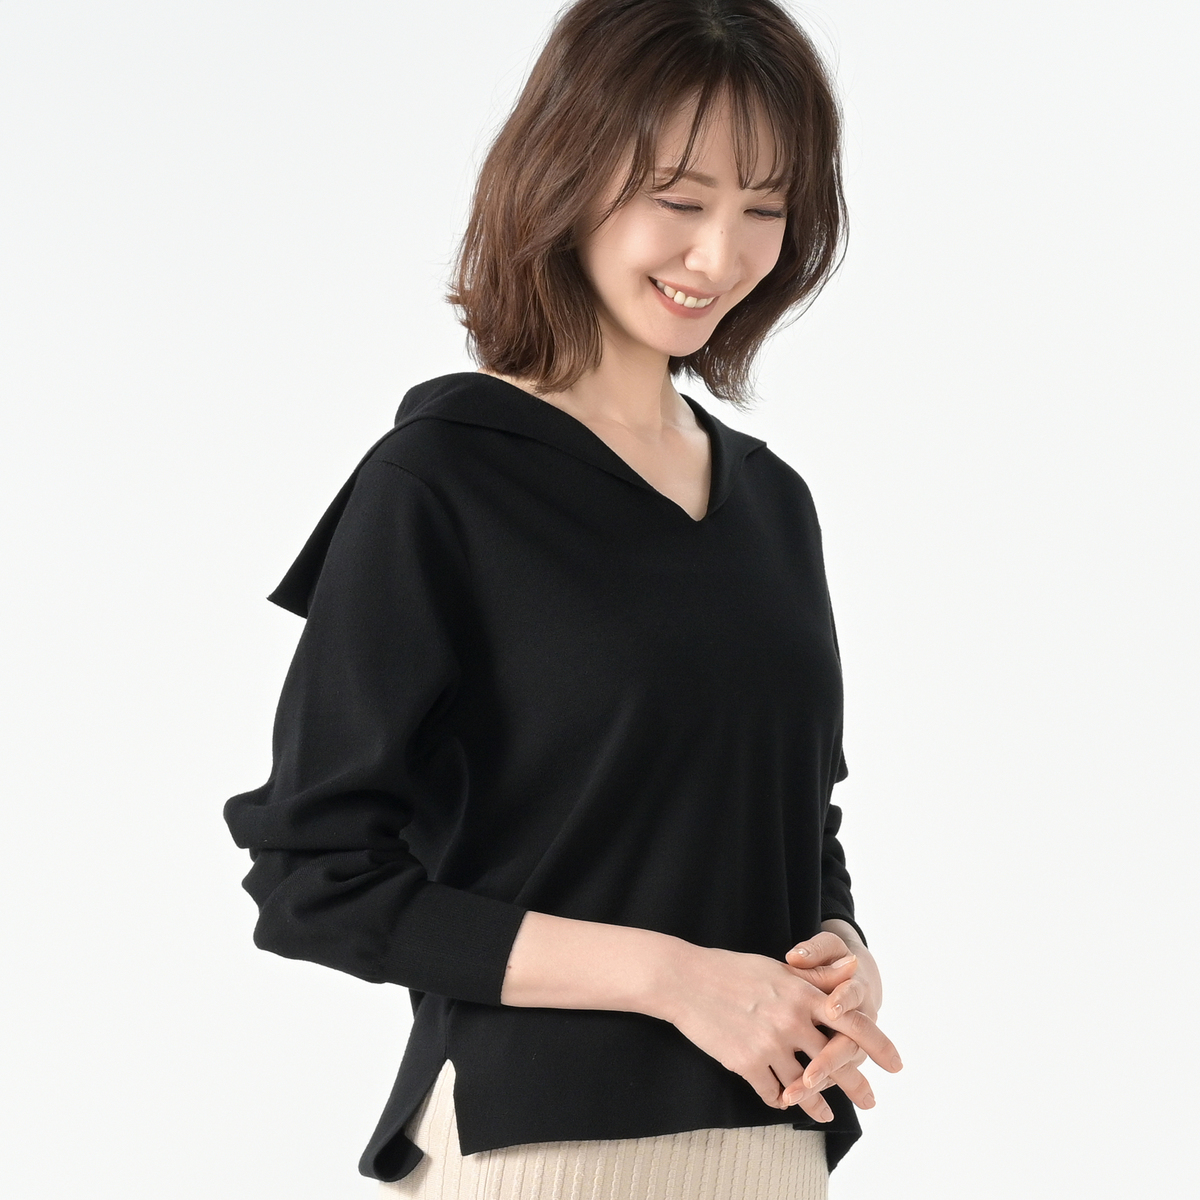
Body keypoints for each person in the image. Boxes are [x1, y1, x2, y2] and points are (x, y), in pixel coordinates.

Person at [223, 1, 903, 1196]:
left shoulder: (773, 503)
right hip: (540, 1152)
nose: (721, 256)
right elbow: (315, 879)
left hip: (773, 1143)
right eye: (680, 200)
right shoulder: (442, 480)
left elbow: (795, 818)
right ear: (569, 177)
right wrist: (673, 978)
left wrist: (838, 951)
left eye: (765, 209)